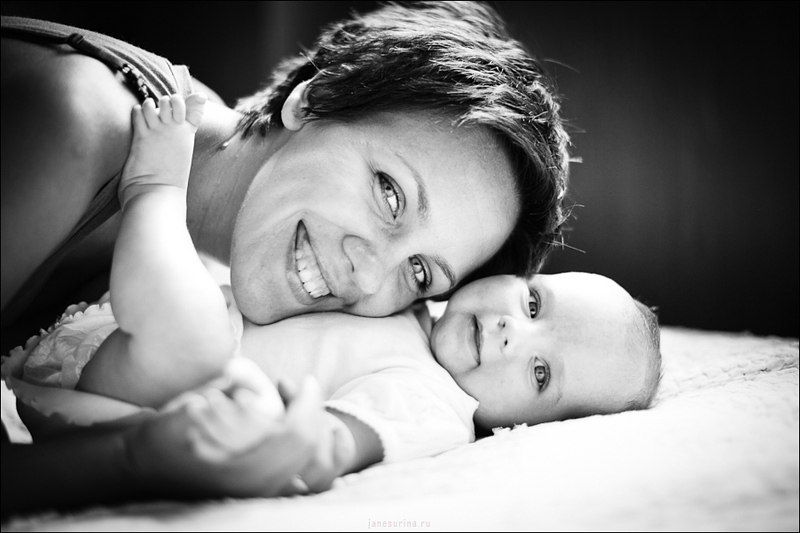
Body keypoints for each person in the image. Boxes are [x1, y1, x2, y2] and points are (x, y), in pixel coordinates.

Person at [1, 1, 571, 518]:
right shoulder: (73, 123)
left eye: (419, 272)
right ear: (312, 100)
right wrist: (134, 460)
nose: (369, 274)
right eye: (390, 195)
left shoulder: (211, 265)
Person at [4, 92, 660, 481]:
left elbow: (341, 441)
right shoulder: (404, 310)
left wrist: (292, 445)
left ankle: (154, 191)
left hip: (166, 405)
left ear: (528, 426)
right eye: (534, 304)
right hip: (112, 344)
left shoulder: (434, 407)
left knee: (201, 338)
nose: (514, 333)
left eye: (541, 373)